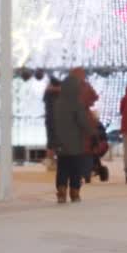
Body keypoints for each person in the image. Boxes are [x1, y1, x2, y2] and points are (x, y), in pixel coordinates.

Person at [53, 70, 96, 203]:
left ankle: (61, 191)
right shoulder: (77, 104)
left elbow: (52, 123)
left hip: (60, 143)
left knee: (62, 168)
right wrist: (92, 133)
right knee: (75, 168)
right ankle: (74, 192)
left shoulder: (57, 104)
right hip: (75, 143)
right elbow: (83, 122)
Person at [43, 76, 61, 171]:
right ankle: (51, 161)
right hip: (56, 120)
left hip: (50, 120)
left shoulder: (47, 93)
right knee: (54, 142)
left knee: (51, 142)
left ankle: (51, 161)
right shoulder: (56, 93)